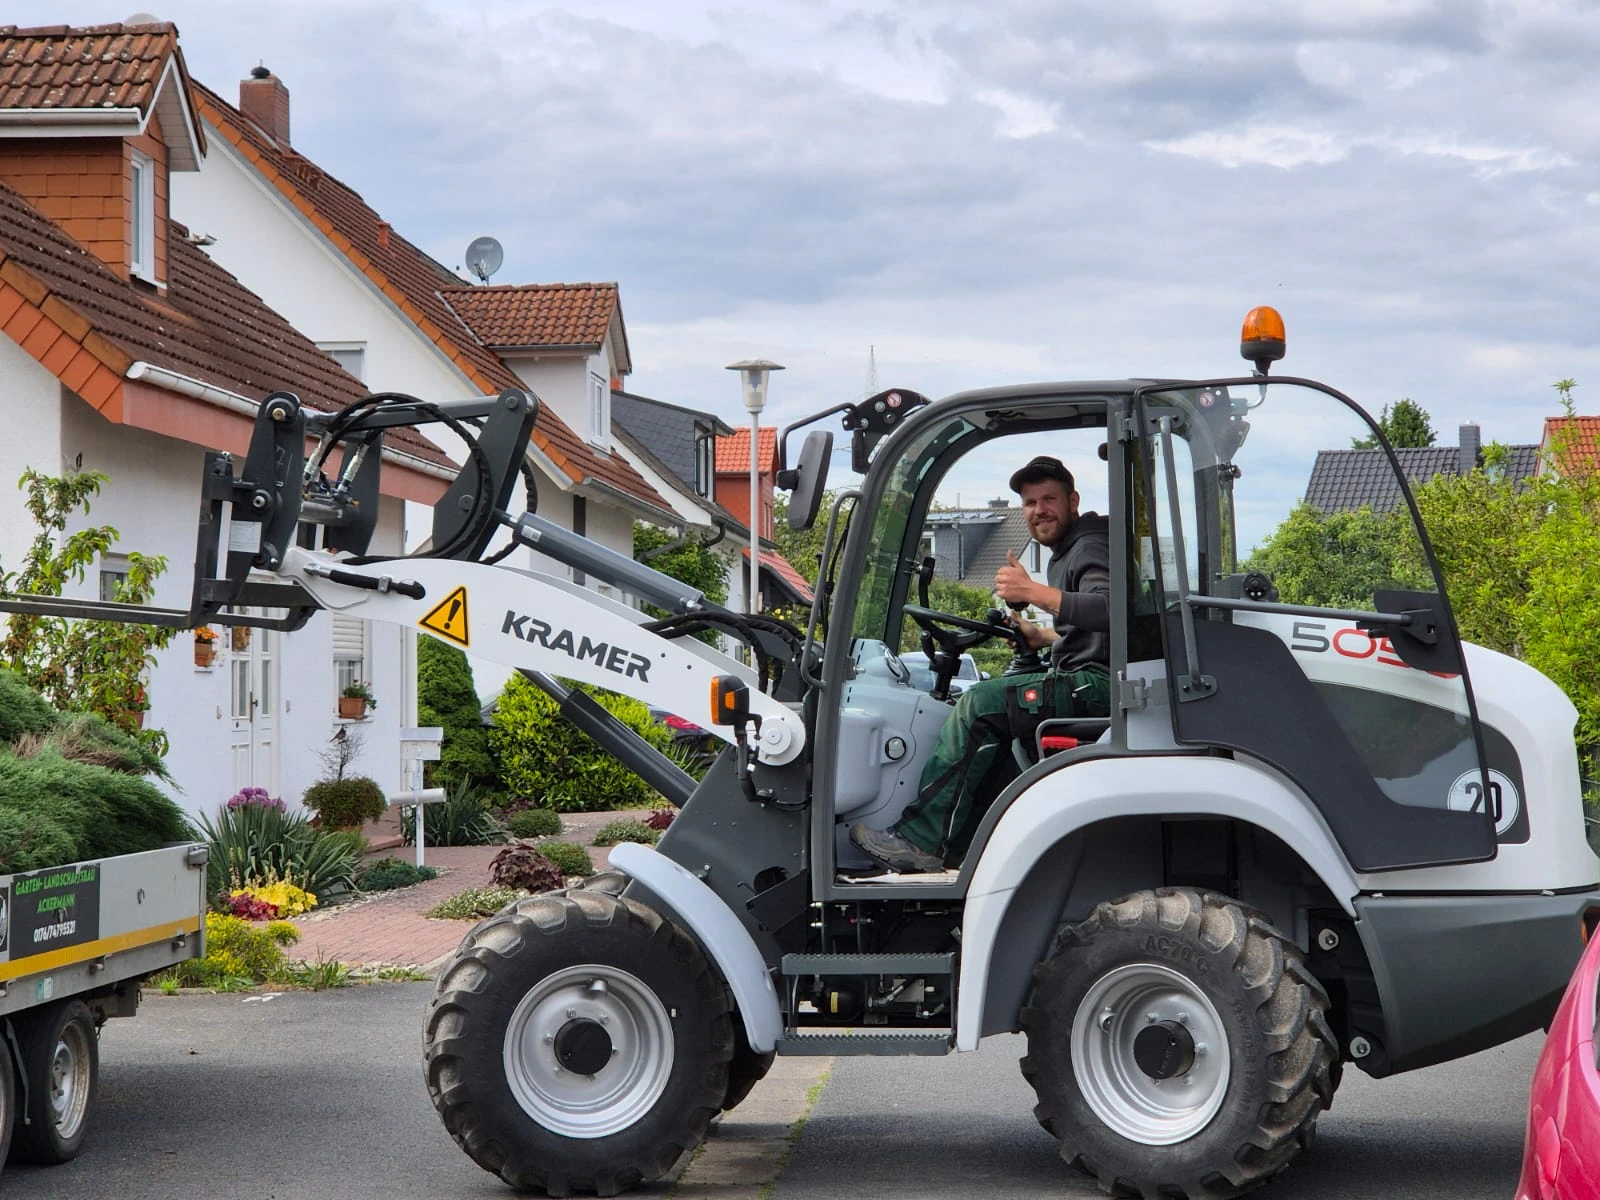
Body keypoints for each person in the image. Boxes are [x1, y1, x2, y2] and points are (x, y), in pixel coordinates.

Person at [849, 455, 1112, 872]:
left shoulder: (1092, 542)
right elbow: (1098, 636)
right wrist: (1040, 635)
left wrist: (1032, 590)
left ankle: (922, 842)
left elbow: (1108, 610)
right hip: (1088, 675)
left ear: (1073, 499)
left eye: (1049, 499)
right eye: (1030, 502)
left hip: (1100, 685)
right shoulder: (1069, 551)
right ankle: (965, 844)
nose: (1039, 510)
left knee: (979, 705)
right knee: (991, 709)